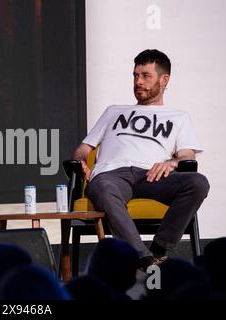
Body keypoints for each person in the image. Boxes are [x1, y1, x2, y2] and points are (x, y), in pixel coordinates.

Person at [72, 49, 210, 269]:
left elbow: (187, 156)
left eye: (146, 76)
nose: (138, 81)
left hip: (151, 176)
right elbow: (84, 147)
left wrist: (171, 163)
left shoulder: (178, 117)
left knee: (198, 183)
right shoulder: (113, 111)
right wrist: (80, 161)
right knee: (106, 190)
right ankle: (143, 259)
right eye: (136, 75)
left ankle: (159, 249)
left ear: (164, 80)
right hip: (111, 174)